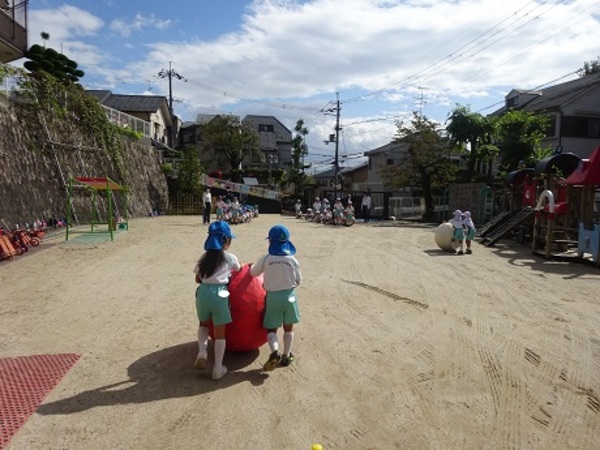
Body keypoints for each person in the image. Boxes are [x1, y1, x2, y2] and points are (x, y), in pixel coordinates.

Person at [193, 221, 241, 380]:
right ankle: (217, 368)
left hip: (203, 293)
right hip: (221, 294)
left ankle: (202, 352)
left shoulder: (203, 257)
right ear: (226, 241)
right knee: (220, 333)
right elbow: (239, 269)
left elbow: (197, 278)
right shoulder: (230, 257)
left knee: (203, 324)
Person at [250, 225, 302, 370]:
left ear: (270, 241)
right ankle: (286, 355)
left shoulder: (266, 258)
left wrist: (251, 266)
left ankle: (274, 352)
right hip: (290, 295)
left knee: (271, 328)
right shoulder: (292, 259)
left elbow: (253, 273)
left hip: (272, 296)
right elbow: (298, 280)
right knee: (288, 327)